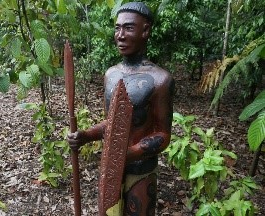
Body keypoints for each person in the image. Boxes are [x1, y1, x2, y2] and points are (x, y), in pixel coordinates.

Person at [67, 2, 174, 215]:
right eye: (117, 28)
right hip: (111, 171)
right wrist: (86, 135)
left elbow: (163, 134)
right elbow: (112, 123)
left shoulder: (160, 80)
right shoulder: (111, 75)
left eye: (129, 28)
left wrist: (129, 154)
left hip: (141, 172)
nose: (121, 35)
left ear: (145, 31)